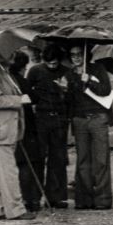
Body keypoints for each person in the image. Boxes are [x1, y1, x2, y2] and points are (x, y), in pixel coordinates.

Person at [0, 60, 35, 221]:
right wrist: (19, 100)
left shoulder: (5, 72)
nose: (13, 55)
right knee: (9, 171)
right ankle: (16, 210)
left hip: (6, 129)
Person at [66, 44, 113, 210]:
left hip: (98, 118)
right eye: (73, 55)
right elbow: (71, 99)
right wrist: (69, 86)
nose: (76, 58)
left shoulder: (97, 69)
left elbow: (106, 90)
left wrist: (90, 81)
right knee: (83, 160)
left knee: (101, 159)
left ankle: (103, 199)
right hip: (80, 120)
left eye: (79, 54)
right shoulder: (70, 74)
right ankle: (84, 199)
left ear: (85, 55)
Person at [24, 43, 70, 209]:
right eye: (49, 63)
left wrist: (65, 90)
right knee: (38, 157)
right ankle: (34, 196)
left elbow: (71, 97)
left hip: (59, 119)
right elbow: (27, 92)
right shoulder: (35, 71)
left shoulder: (65, 72)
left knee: (58, 159)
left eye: (55, 63)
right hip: (41, 119)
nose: (52, 66)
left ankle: (55, 196)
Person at [10, 51, 42, 212]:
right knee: (26, 164)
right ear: (23, 67)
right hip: (25, 127)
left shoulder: (8, 80)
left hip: (11, 126)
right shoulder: (20, 81)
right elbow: (35, 97)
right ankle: (30, 199)